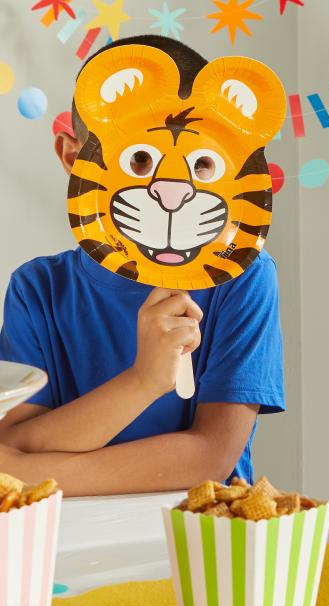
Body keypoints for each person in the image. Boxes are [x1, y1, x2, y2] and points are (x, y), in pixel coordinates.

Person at [0, 35, 284, 496]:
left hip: (204, 537)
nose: (170, 190)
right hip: (66, 533)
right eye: (137, 159)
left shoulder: (243, 277)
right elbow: (16, 440)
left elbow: (211, 457)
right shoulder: (38, 289)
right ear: (73, 157)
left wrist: (34, 474)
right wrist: (145, 380)